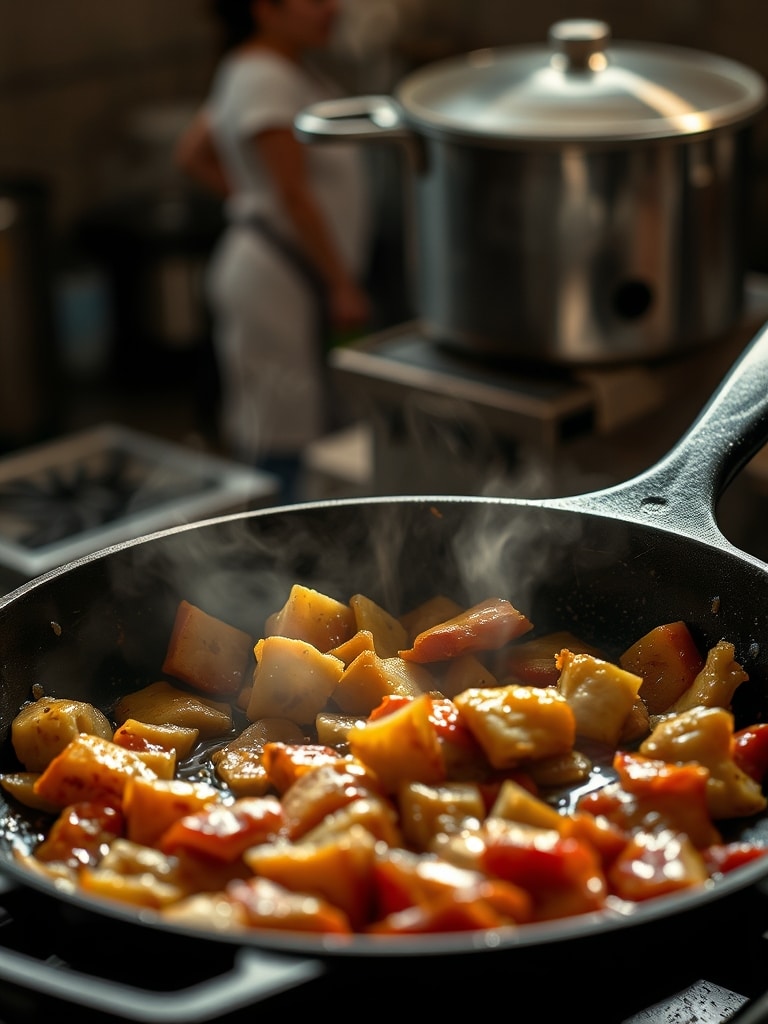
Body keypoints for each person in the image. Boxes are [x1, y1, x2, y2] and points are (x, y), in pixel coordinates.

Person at [175, 0, 372, 501]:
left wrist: (249, 196)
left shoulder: (259, 66)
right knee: (281, 434)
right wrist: (341, 282)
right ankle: (278, 555)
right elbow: (293, 194)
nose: (332, 8)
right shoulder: (265, 76)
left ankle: (288, 550)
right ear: (265, 9)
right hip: (279, 278)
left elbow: (194, 153)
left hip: (277, 268)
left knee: (289, 422)